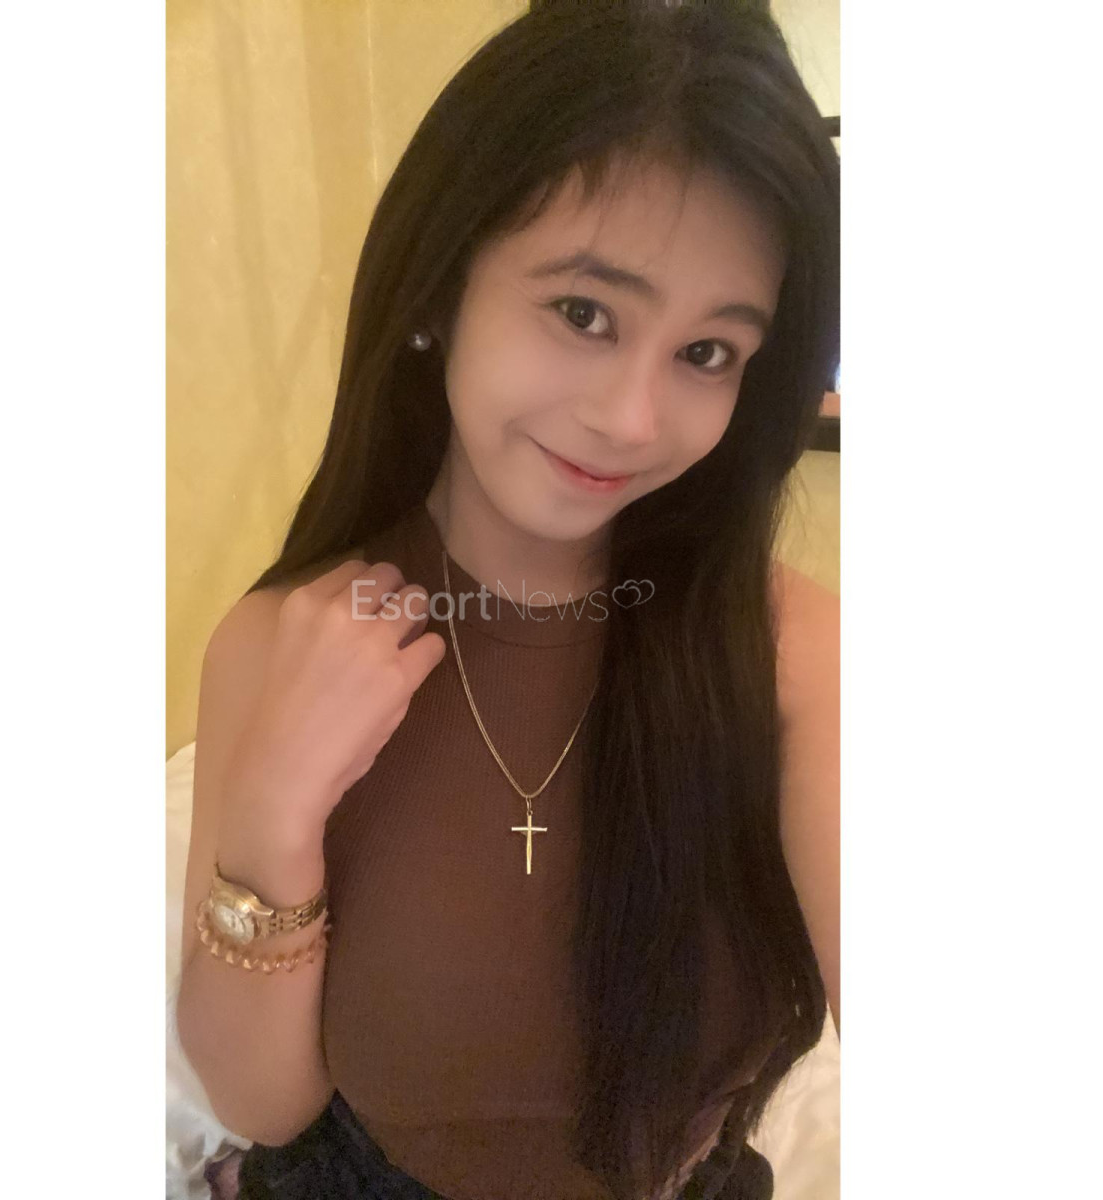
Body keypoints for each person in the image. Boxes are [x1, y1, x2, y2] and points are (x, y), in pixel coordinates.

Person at [175, 2, 840, 1198]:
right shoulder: (280, 641)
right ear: (442, 288)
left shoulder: (796, 654)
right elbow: (262, 1102)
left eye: (707, 353)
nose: (631, 419)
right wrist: (272, 813)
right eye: (584, 313)